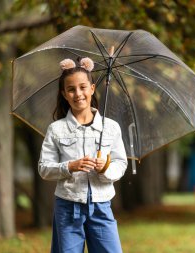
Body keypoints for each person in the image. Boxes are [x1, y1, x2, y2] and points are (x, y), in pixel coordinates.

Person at [38, 57, 128, 253]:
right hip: (68, 207)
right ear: (64, 94)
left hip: (101, 206)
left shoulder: (111, 127)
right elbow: (44, 168)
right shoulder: (56, 129)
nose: (78, 94)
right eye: (71, 89)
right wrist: (70, 166)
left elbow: (121, 164)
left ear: (92, 88)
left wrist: (105, 168)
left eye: (83, 87)